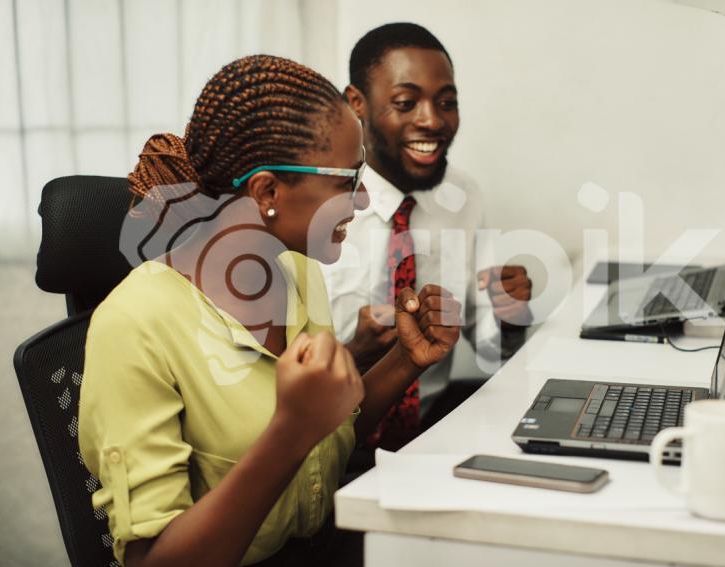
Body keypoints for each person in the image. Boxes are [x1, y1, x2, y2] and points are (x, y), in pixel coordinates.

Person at [78, 54, 460, 567]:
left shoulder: (297, 273)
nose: (365, 199)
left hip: (317, 546)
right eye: (348, 180)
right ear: (267, 191)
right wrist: (291, 432)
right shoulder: (136, 324)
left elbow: (326, 435)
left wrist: (406, 361)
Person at [321, 23, 533, 447]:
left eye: (446, 102)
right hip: (323, 442)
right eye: (405, 102)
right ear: (356, 104)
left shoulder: (462, 197)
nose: (432, 120)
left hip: (428, 432)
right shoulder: (315, 206)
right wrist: (355, 350)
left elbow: (488, 350)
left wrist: (508, 318)